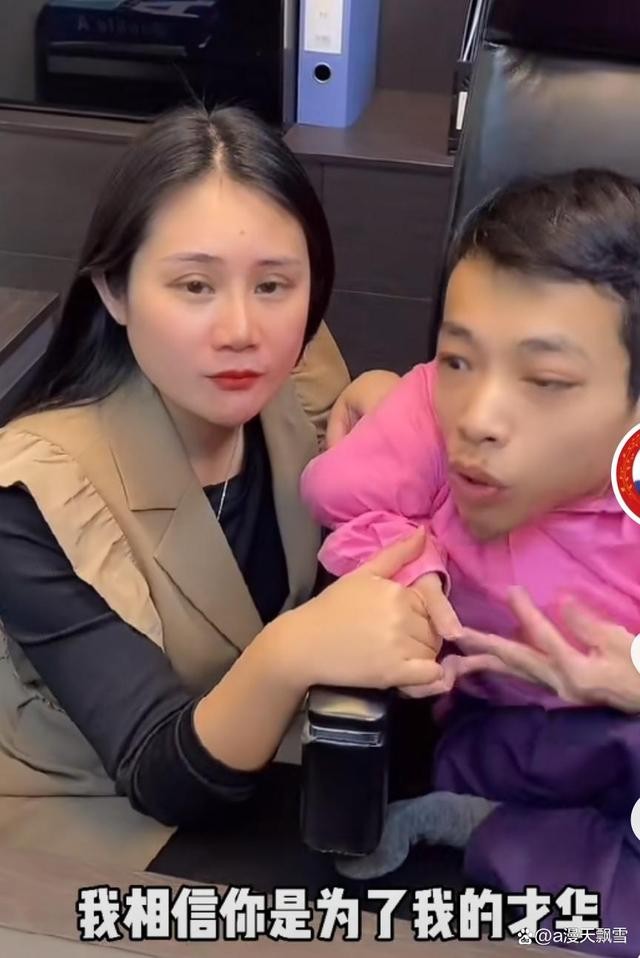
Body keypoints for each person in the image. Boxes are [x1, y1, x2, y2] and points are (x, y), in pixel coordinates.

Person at [0, 104, 443, 871]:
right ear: (114, 290)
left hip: (265, 778)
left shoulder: (295, 377)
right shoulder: (32, 493)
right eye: (195, 285)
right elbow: (160, 772)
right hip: (83, 834)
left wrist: (388, 415)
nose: (241, 328)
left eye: (273, 285)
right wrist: (291, 651)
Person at [301, 170, 640, 953]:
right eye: (458, 360)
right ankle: (494, 828)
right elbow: (345, 499)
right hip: (509, 738)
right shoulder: (428, 413)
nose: (479, 417)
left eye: (546, 380)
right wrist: (415, 574)